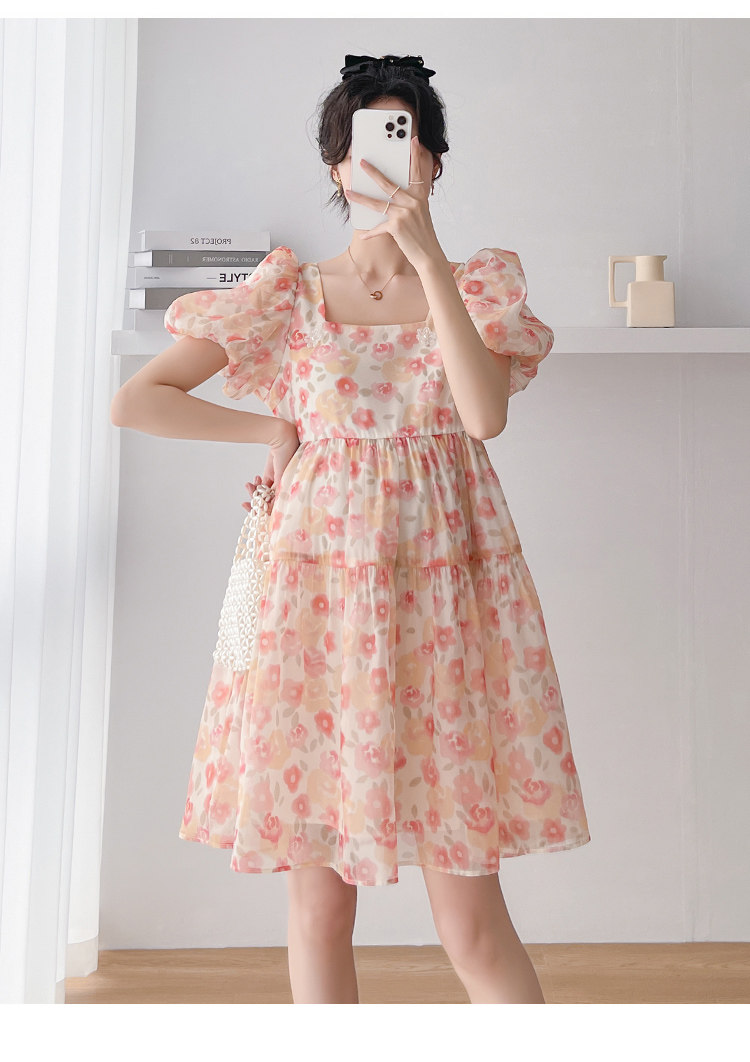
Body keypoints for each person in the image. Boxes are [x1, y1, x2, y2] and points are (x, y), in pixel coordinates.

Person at [111, 52, 591, 1005]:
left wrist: (429, 261)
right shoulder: (288, 295)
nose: (388, 161)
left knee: (471, 922)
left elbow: (484, 415)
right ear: (336, 165)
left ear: (435, 162)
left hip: (446, 609)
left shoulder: (478, 285)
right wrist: (271, 430)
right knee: (320, 911)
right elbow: (139, 399)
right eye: (367, 142)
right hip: (319, 609)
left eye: (407, 141)